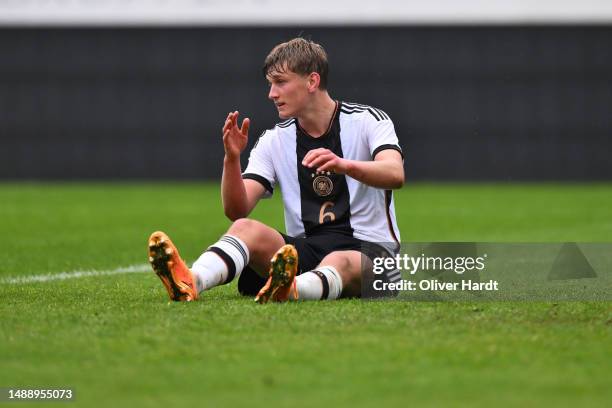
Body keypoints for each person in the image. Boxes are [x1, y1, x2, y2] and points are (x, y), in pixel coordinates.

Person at [148, 37, 404, 303]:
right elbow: (237, 210)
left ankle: (292, 289)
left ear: (312, 82)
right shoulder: (274, 139)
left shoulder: (368, 120)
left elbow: (395, 174)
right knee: (244, 227)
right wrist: (232, 159)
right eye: (271, 84)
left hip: (372, 256)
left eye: (280, 82)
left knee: (338, 260)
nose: (272, 93)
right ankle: (192, 280)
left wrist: (344, 165)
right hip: (306, 251)